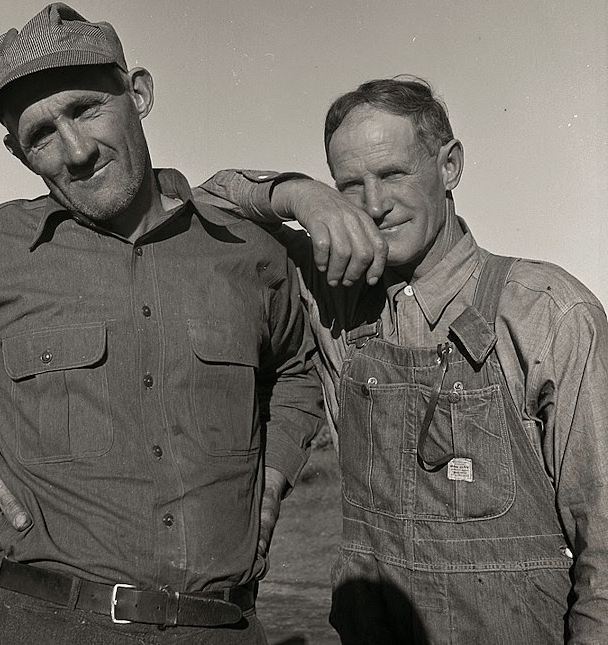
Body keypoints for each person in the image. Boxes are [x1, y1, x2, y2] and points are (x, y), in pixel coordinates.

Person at [0, 3, 324, 643]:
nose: (74, 151)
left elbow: (296, 370)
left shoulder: (247, 255)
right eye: (40, 135)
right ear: (19, 154)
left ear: (139, 93)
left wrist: (270, 480)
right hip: (43, 624)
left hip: (221, 628)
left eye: (84, 109)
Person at [196, 77, 608, 643]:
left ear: (451, 166)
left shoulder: (548, 313)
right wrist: (301, 195)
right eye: (349, 186)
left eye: (393, 174)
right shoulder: (336, 300)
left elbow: (605, 550)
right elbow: (212, 200)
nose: (374, 205)